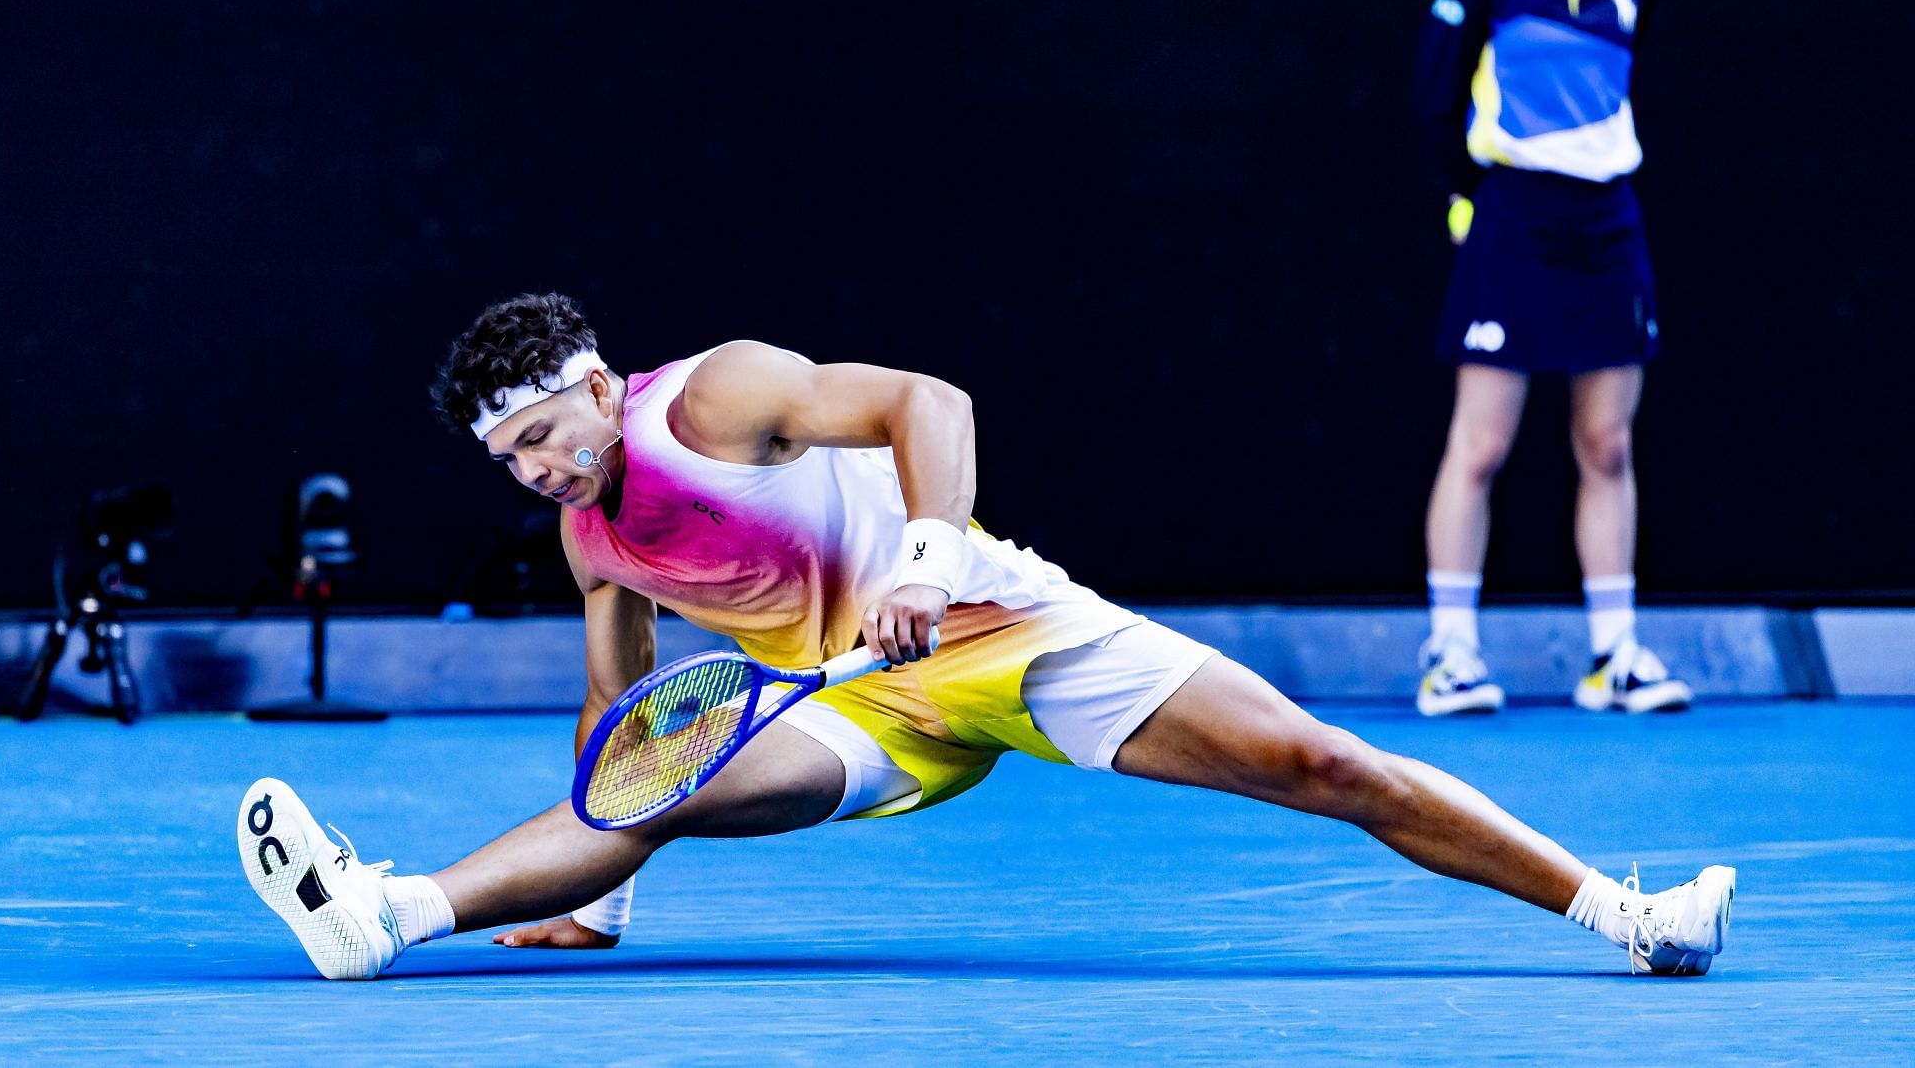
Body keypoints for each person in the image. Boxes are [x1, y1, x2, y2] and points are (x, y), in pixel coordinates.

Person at [238, 291, 1734, 979]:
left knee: (1323, 763)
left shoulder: (712, 397)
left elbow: (925, 405)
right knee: (659, 789)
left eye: (543, 435)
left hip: (988, 623)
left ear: (592, 381)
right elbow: (615, 720)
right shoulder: (591, 536)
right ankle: (395, 915)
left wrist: (928, 551)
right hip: (865, 713)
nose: (538, 470)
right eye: (508, 461)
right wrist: (615, 860)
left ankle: (1628, 916)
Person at [1412, 0, 1692, 717]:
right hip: (1512, 221)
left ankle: (1615, 656)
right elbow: (1433, 105)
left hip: (1608, 224)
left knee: (1607, 443)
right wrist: (1467, 203)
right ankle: (1451, 654)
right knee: (1482, 442)